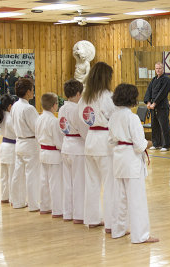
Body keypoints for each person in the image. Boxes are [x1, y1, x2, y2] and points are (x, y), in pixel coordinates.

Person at [109, 83, 159, 243]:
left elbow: (110, 140)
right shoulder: (132, 117)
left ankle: (118, 230)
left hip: (118, 157)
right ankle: (141, 235)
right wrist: (150, 143)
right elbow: (139, 145)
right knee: (136, 199)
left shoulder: (113, 116)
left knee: (120, 197)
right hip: (131, 159)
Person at [78, 62, 115, 231]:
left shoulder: (85, 96)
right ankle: (110, 222)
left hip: (90, 139)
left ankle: (92, 218)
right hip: (104, 140)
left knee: (92, 182)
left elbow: (82, 120)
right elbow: (114, 119)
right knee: (109, 183)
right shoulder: (107, 96)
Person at [58, 79, 88, 224]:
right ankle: (79, 215)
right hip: (77, 147)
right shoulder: (77, 109)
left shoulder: (62, 109)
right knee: (79, 182)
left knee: (68, 182)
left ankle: (68, 213)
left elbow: (61, 127)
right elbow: (84, 130)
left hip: (66, 145)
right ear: (78, 93)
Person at [10, 78, 40, 211]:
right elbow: (36, 128)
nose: (33, 92)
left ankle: (17, 201)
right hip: (29, 142)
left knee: (18, 174)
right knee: (32, 174)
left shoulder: (15, 105)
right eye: (32, 90)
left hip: (19, 142)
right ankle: (33, 204)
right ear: (28, 92)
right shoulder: (28, 108)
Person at [36, 93, 63, 217]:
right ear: (53, 106)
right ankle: (57, 210)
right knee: (55, 182)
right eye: (57, 103)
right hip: (53, 153)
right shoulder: (54, 121)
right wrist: (63, 147)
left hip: (42, 152)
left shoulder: (39, 118)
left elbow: (37, 136)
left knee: (43, 181)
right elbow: (58, 141)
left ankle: (45, 206)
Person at [144, 62, 170, 152]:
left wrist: (155, 103)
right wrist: (148, 102)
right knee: (154, 125)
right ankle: (156, 143)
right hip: (153, 107)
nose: (158, 70)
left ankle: (166, 145)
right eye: (156, 68)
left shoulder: (167, 79)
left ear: (163, 69)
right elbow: (149, 91)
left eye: (159, 68)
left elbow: (162, 93)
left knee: (164, 126)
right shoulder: (154, 79)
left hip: (162, 106)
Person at [0, 94, 16, 204]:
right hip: (12, 147)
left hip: (3, 146)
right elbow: (16, 132)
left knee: (4, 175)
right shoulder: (10, 118)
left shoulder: (0, 117)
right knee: (12, 175)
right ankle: (13, 199)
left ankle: (4, 197)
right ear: (9, 106)